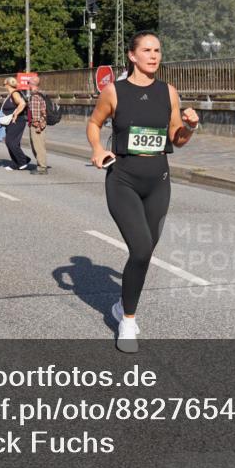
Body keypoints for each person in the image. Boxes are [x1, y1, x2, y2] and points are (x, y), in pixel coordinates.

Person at [86, 31, 200, 353]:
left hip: (158, 180)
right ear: (132, 56)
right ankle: (129, 321)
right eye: (147, 50)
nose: (154, 55)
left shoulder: (169, 92)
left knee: (146, 251)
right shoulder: (114, 91)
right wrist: (97, 148)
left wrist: (189, 126)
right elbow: (94, 123)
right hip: (123, 179)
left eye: (158, 50)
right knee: (139, 249)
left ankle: (122, 306)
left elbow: (176, 138)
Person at [0, 77, 30, 171]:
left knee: (10, 141)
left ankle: (22, 161)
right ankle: (15, 163)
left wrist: (16, 114)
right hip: (12, 121)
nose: (3, 85)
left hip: (17, 121)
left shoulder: (14, 93)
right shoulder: (11, 94)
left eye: (4, 83)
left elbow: (22, 104)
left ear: (7, 84)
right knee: (13, 142)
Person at [27, 75, 49, 175]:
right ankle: (40, 165)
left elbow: (35, 114)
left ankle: (42, 167)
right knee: (37, 146)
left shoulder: (35, 97)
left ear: (32, 84)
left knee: (38, 146)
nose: (28, 85)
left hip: (37, 126)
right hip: (41, 124)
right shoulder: (40, 95)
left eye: (29, 83)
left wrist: (38, 126)